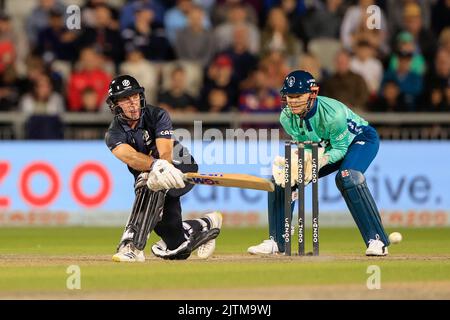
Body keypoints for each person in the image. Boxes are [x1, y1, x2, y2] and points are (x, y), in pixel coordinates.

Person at [247, 70, 390, 257]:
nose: (293, 101)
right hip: (325, 146)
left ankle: (377, 239)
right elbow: (306, 146)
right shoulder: (286, 117)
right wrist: (300, 164)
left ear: (312, 94)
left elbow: (340, 148)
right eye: (289, 96)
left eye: (298, 96)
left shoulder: (333, 113)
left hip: (360, 140)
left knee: (348, 177)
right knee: (283, 179)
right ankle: (277, 241)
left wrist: (320, 160)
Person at [104, 75, 222, 262]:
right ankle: (205, 224)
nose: (133, 103)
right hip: (153, 173)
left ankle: (132, 246)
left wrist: (162, 165)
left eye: (135, 96)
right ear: (115, 104)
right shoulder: (113, 134)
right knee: (174, 242)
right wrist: (154, 166)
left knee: (148, 183)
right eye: (126, 99)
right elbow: (130, 157)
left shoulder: (157, 115)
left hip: (180, 164)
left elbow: (166, 152)